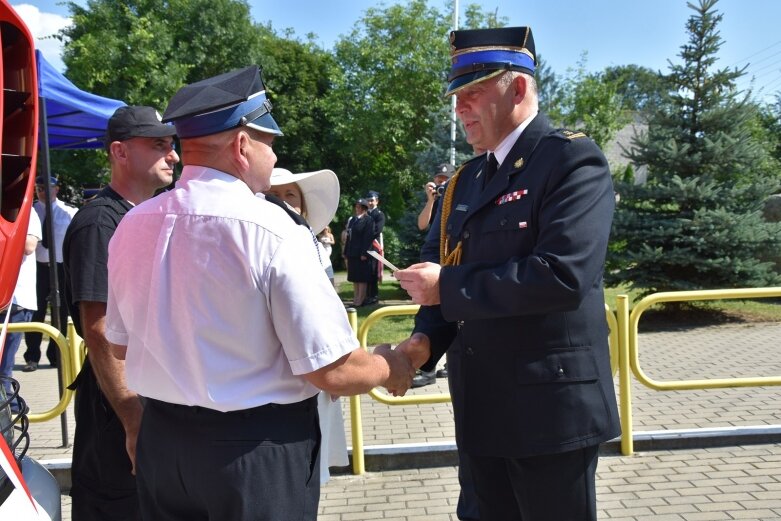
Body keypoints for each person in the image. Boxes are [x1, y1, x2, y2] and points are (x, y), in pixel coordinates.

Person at [103, 65, 420, 521]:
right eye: (270, 143)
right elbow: (332, 369)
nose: (274, 157)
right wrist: (392, 364)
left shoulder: (133, 224)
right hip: (254, 452)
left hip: (164, 443)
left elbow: (119, 342)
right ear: (242, 144)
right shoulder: (271, 229)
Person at [394, 27, 619, 521]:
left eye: (472, 93)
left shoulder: (570, 159)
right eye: (456, 96)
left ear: (517, 89)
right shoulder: (465, 180)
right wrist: (421, 345)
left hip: (549, 411)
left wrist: (446, 287)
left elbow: (562, 274)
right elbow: (442, 276)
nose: (459, 108)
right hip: (480, 406)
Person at [63, 105, 180, 520]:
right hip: (117, 406)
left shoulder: (149, 215)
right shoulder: (100, 222)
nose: (174, 156)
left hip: (148, 396)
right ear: (120, 152)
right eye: (158, 145)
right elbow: (98, 330)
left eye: (171, 144)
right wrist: (133, 420)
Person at [263, 166, 348, 483]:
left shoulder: (315, 251)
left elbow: (330, 313)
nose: (282, 203)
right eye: (273, 195)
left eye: (289, 195)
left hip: (316, 374)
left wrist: (341, 370)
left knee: (311, 469)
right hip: (272, 385)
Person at [23, 175, 77, 371]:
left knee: (60, 312)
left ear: (57, 189)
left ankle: (57, 356)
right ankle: (32, 356)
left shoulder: (69, 212)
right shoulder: (30, 212)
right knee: (35, 313)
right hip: (38, 268)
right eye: (39, 189)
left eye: (47, 188)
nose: (43, 192)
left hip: (61, 267)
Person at [1, 209, 41, 409]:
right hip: (8, 297)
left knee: (5, 363)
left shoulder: (25, 210)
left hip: (15, 297)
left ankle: (9, 406)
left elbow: (28, 245)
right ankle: (10, 405)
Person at [344, 198, 375, 307]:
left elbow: (368, 237)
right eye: (356, 206)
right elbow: (349, 236)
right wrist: (346, 251)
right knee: (354, 277)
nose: (356, 208)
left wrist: (364, 253)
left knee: (361, 278)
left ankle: (360, 300)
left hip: (361, 254)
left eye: (359, 206)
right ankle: (355, 298)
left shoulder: (368, 220)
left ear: (364, 208)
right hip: (352, 252)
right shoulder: (353, 220)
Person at [417, 162, 454, 232]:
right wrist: (430, 200)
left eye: (446, 182)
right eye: (440, 182)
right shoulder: (433, 199)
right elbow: (421, 225)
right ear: (434, 181)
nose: (443, 185)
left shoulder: (460, 196)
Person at [364, 190, 384, 305]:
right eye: (368, 201)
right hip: (365, 247)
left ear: (377, 201)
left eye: (372, 200)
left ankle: (374, 297)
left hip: (373, 247)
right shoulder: (365, 214)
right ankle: (367, 295)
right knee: (366, 273)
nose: (370, 203)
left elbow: (377, 230)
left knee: (373, 273)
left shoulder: (379, 214)